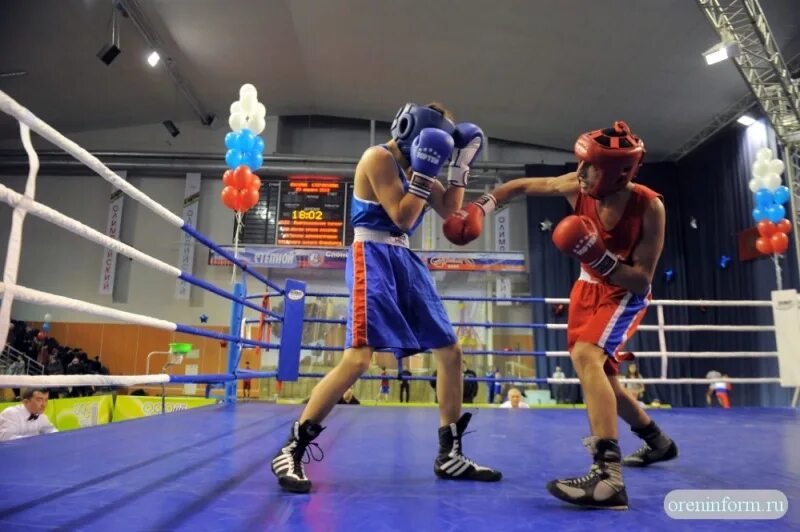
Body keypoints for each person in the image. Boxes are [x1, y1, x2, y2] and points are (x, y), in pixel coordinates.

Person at [444, 121, 677, 509]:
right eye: (580, 164)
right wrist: (480, 208)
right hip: (586, 288)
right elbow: (518, 187)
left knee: (587, 357)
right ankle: (658, 442)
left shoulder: (649, 207)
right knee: (602, 378)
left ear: (621, 173)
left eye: (590, 167)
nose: (580, 174)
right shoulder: (576, 185)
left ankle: (608, 478)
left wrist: (597, 256)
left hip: (623, 292)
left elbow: (641, 280)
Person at [271, 102, 501, 494]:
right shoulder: (377, 158)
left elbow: (450, 211)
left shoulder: (418, 167)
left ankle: (450, 453)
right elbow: (401, 216)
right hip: (372, 255)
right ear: (411, 131)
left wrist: (459, 166)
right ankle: (292, 448)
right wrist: (425, 171)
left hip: (404, 257)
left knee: (449, 350)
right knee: (359, 357)